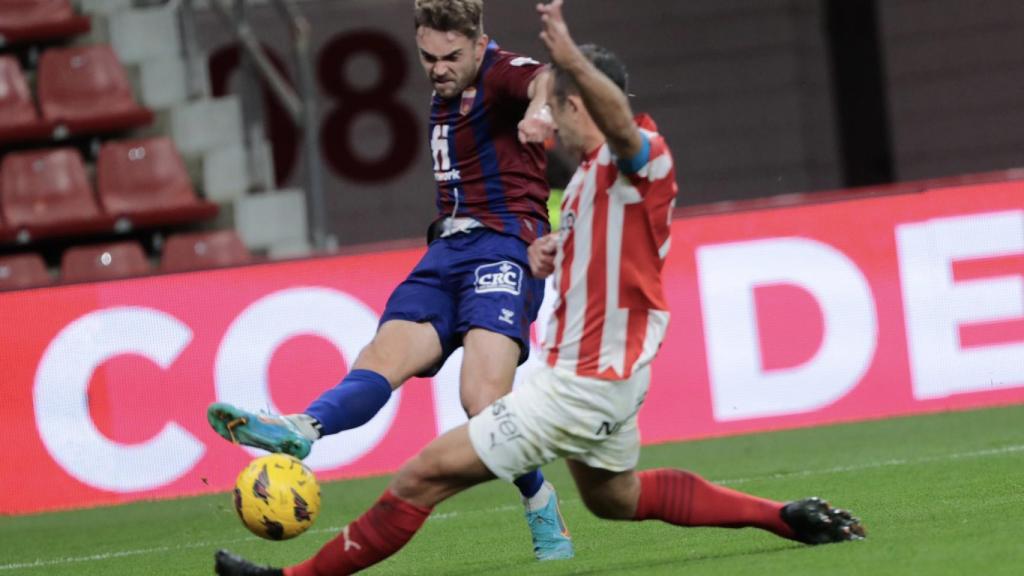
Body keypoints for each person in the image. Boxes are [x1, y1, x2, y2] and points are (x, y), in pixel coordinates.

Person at [213, 1, 866, 574]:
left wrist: (564, 62)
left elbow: (602, 114)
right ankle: (784, 516)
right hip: (596, 374)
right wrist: (553, 250)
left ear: (576, 101)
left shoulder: (644, 159)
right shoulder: (581, 184)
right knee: (619, 499)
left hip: (579, 385)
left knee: (423, 474)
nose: (547, 120)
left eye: (558, 108)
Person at [206, 0, 575, 562]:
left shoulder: (501, 74)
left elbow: (546, 77)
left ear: (479, 44)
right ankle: (306, 427)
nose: (439, 68)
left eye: (452, 56)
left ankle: (540, 499)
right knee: (380, 358)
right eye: (428, 57)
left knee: (481, 401)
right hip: (444, 254)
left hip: (503, 248)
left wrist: (543, 112)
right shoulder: (448, 90)